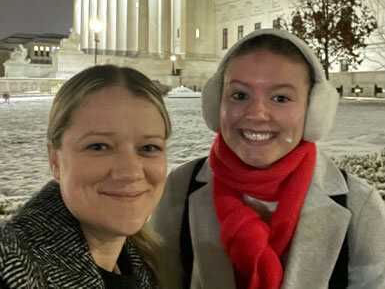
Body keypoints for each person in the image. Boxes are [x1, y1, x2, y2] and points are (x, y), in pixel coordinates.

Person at [150, 29, 385, 289]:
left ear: (314, 110)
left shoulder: (360, 206)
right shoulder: (180, 188)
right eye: (239, 95)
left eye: (280, 98)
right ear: (216, 105)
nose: (257, 114)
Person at [0, 65, 171, 288]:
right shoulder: (12, 269)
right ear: (55, 160)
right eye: (98, 146)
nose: (131, 172)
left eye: (149, 148)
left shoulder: (142, 263)